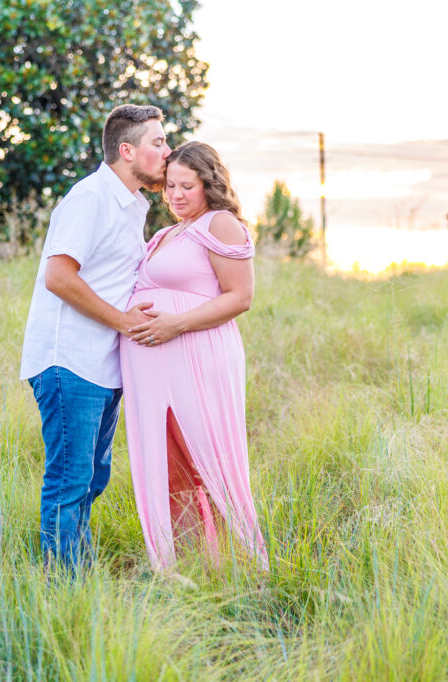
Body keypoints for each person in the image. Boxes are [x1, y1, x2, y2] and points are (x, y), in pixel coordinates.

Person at [19, 104, 171, 569]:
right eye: (158, 143)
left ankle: (76, 572)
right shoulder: (91, 198)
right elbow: (59, 277)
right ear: (127, 151)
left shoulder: (133, 205)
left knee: (92, 479)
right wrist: (124, 322)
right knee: (70, 480)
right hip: (70, 361)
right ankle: (66, 590)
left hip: (104, 365)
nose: (169, 151)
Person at [119, 141, 269, 572]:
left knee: (205, 462)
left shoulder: (220, 224)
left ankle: (235, 569)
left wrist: (175, 324)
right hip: (157, 369)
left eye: (187, 185)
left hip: (197, 357)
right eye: (170, 186)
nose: (177, 195)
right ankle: (190, 570)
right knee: (174, 470)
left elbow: (241, 297)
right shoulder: (167, 234)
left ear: (209, 184)